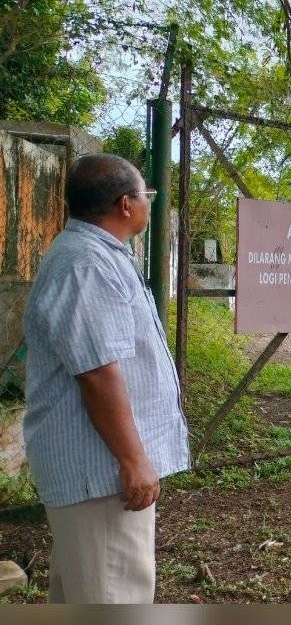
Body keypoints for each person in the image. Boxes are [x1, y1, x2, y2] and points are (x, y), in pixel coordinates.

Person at [22, 154, 189, 602]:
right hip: (101, 473)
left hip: (99, 470)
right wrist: (134, 460)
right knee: (114, 595)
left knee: (83, 592)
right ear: (124, 204)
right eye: (146, 195)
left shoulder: (98, 256)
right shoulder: (87, 265)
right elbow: (97, 374)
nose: (148, 205)